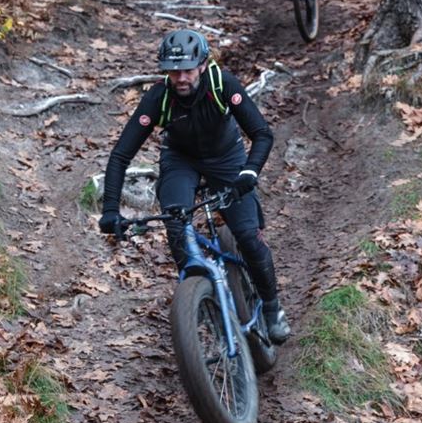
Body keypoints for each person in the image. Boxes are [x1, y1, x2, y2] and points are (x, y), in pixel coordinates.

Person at [99, 29, 290, 345]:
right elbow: (121, 155)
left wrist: (249, 172)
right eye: (173, 71)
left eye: (187, 70)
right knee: (176, 225)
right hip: (180, 161)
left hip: (227, 158)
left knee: (247, 235)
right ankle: (200, 299)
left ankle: (271, 307)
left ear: (202, 65)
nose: (181, 78)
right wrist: (109, 209)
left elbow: (262, 134)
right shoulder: (158, 97)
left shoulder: (222, 84)